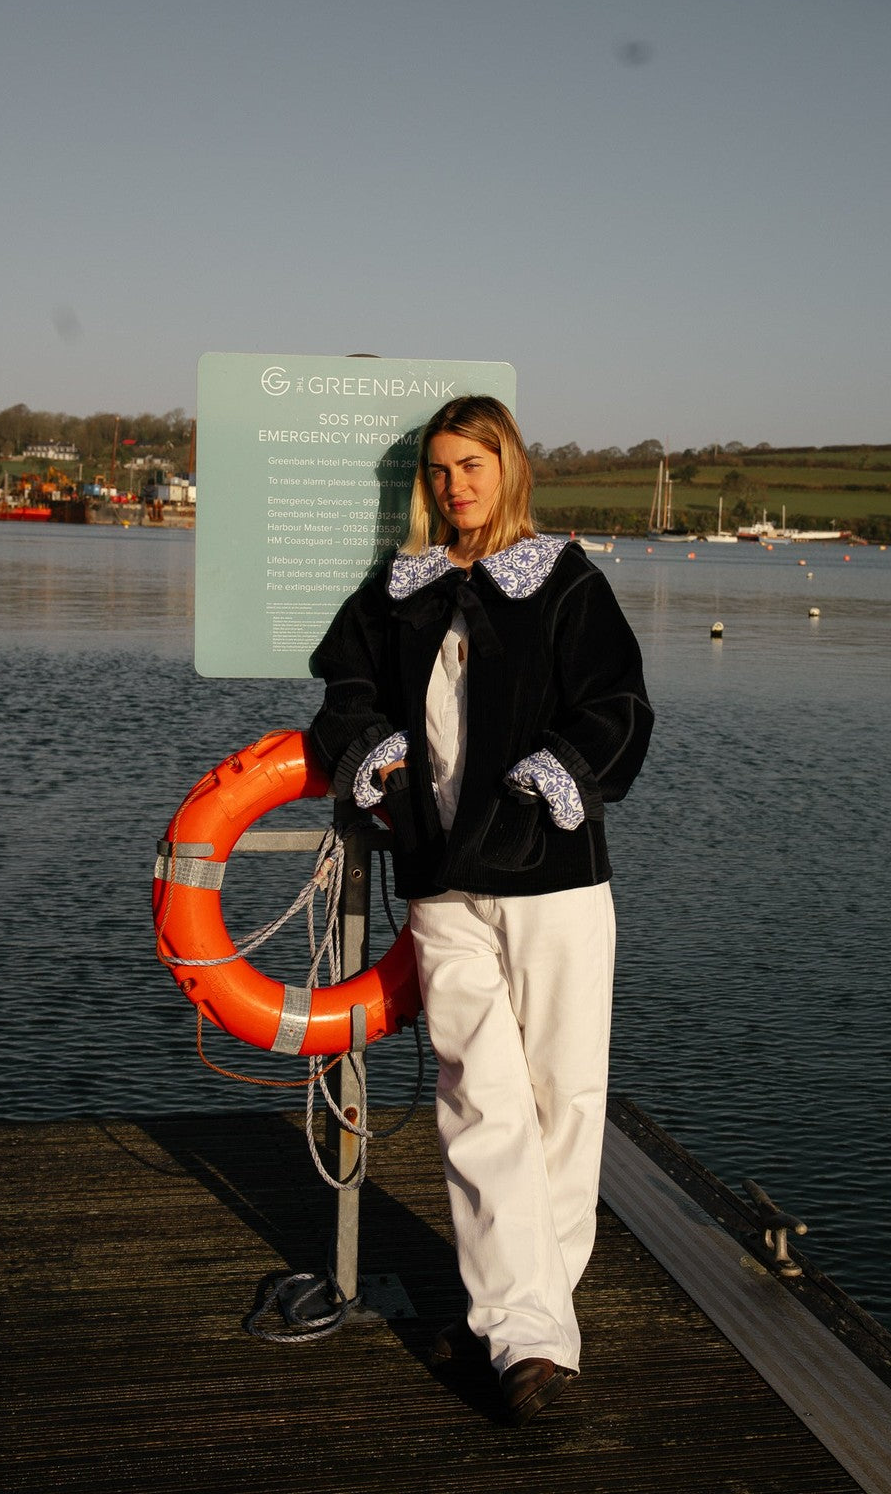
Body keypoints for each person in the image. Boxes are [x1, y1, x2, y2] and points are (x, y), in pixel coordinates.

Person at [308, 396, 653, 1425]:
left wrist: (563, 767)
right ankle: (527, 1339)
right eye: (439, 470)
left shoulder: (565, 580)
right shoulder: (397, 592)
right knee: (478, 1098)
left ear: (509, 467)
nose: (456, 486)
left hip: (552, 878)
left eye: (473, 464)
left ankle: (522, 1322)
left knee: (562, 1100)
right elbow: (343, 690)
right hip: (441, 880)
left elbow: (619, 705)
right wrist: (371, 747)